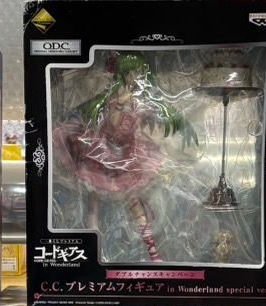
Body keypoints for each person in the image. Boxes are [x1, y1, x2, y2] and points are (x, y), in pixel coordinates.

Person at [53, 51, 195, 262]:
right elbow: (114, 123)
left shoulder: (140, 99)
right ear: (123, 73)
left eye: (139, 72)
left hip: (128, 153)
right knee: (93, 204)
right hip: (103, 152)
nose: (135, 76)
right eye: (131, 72)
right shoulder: (115, 98)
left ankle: (153, 252)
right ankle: (92, 252)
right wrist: (121, 102)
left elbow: (144, 122)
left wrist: (157, 127)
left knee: (134, 203)